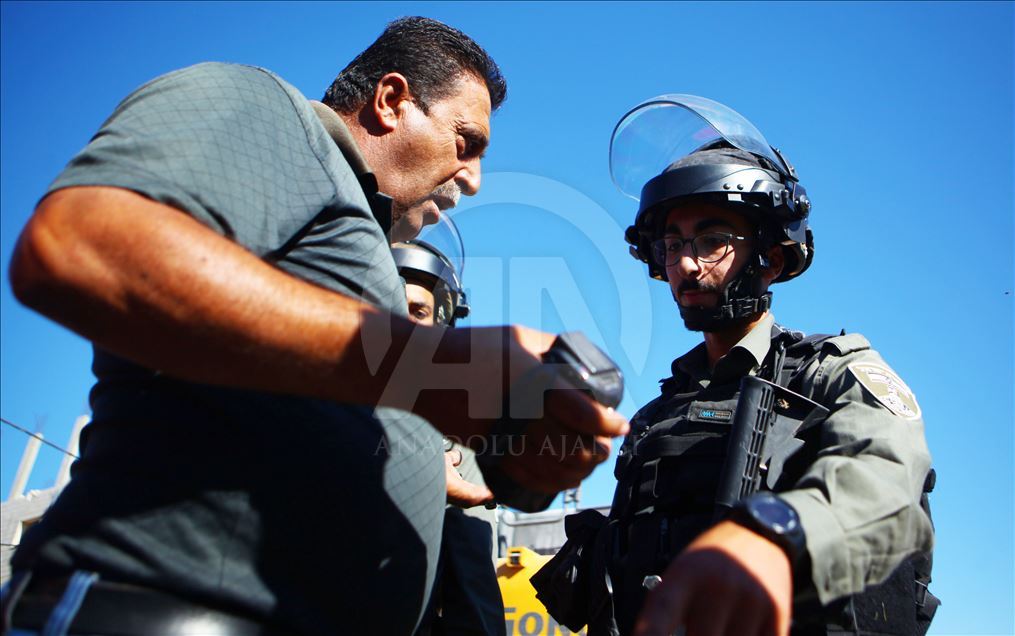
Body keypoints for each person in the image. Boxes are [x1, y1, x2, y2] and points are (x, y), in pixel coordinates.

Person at [2, 17, 627, 635]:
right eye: (466, 142)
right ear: (390, 102)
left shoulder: (360, 241)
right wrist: (434, 371)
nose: (474, 178)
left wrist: (397, 456)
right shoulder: (268, 110)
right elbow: (83, 247)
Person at [538, 95, 937, 636]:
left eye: (711, 240)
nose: (684, 262)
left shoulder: (828, 373)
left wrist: (778, 535)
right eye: (673, 242)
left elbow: (887, 473)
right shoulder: (658, 413)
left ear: (770, 258)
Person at [392, 231, 505, 636]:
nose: (400, 324)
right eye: (386, 303)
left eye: (417, 312)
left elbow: (472, 594)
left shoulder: (456, 441)